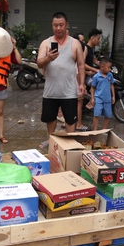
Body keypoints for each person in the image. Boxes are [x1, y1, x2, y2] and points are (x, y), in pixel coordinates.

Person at [36, 12, 86, 148]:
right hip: (51, 91)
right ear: (52, 26)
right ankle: (51, 140)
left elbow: (81, 65)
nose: (58, 28)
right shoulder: (46, 43)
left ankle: (70, 143)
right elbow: (39, 63)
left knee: (70, 120)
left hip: (69, 91)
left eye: (61, 25)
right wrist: (48, 59)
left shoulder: (75, 43)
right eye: (55, 25)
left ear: (66, 25)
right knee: (50, 118)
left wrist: (81, 84)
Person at [89, 57, 115, 130]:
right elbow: (93, 87)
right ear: (102, 67)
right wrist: (92, 98)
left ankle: (104, 129)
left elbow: (111, 85)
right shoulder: (96, 77)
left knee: (108, 115)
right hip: (98, 99)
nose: (110, 69)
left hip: (108, 99)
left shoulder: (110, 75)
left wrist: (113, 96)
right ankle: (95, 130)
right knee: (96, 115)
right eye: (109, 67)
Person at [83, 28, 103, 114]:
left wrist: (104, 66)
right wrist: (95, 69)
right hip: (85, 76)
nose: (99, 41)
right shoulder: (85, 48)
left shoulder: (91, 49)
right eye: (98, 39)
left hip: (90, 74)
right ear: (92, 38)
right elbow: (82, 64)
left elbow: (95, 61)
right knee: (98, 84)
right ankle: (90, 102)